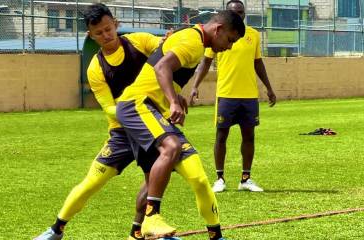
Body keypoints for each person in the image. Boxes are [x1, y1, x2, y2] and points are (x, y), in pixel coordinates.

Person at [34, 3, 164, 240]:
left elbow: (169, 55)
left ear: (116, 24)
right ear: (90, 35)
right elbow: (108, 108)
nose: (105, 36)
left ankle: (139, 231)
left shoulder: (141, 41)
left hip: (151, 128)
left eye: (108, 29)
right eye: (98, 33)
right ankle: (55, 230)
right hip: (121, 133)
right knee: (91, 182)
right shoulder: (96, 67)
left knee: (154, 181)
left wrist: (172, 41)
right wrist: (136, 110)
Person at [116, 10, 245, 240]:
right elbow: (161, 67)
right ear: (218, 30)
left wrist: (175, 93)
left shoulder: (193, 37)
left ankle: (138, 234)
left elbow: (160, 65)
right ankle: (151, 217)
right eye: (229, 40)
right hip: (138, 105)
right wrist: (174, 101)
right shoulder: (193, 42)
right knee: (172, 147)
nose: (229, 47)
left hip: (156, 110)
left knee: (197, 177)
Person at [189, 0, 276, 193]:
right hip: (226, 94)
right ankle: (219, 178)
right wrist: (195, 86)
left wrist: (269, 88)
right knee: (221, 136)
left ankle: (246, 178)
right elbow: (205, 62)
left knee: (249, 136)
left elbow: (258, 63)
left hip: (249, 95)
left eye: (241, 12)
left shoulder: (252, 35)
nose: (238, 15)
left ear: (245, 14)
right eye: (234, 13)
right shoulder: (218, 35)